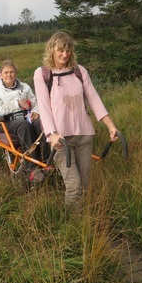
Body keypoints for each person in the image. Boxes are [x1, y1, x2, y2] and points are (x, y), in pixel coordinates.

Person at [33, 31, 119, 211]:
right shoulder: (42, 74)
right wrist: (52, 134)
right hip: (61, 140)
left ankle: (85, 221)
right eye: (60, 50)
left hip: (84, 136)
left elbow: (94, 100)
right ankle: (72, 228)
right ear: (52, 50)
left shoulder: (79, 71)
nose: (65, 55)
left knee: (85, 184)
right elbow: (44, 107)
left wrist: (111, 126)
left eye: (68, 50)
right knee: (73, 185)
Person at [0, 60, 48, 163]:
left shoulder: (25, 86)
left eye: (11, 72)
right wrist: (17, 103)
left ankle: (46, 159)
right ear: (0, 75)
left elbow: (35, 102)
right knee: (24, 125)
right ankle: (32, 164)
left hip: (26, 117)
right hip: (6, 122)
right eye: (6, 72)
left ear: (15, 73)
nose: (9, 75)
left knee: (41, 122)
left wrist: (35, 112)